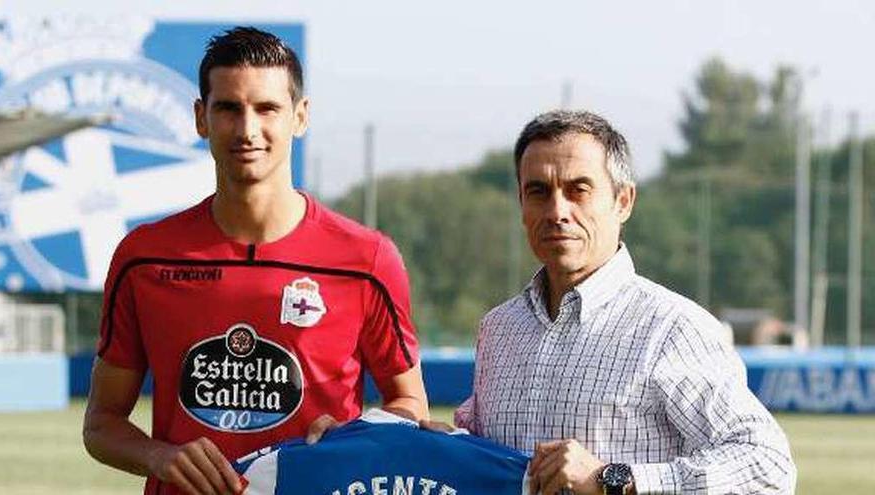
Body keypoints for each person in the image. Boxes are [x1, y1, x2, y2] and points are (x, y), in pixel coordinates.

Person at [83, 27, 428, 495]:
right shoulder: (144, 257)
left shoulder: (365, 258)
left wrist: (356, 438)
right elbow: (101, 423)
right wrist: (159, 456)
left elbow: (410, 404)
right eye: (228, 108)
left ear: (299, 117)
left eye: (267, 108)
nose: (248, 130)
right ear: (201, 118)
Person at [454, 110, 796, 494]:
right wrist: (444, 444)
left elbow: (767, 465)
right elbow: (486, 451)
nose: (557, 212)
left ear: (623, 201)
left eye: (578, 190)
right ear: (521, 203)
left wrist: (612, 479)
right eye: (538, 192)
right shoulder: (500, 327)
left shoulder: (672, 328)